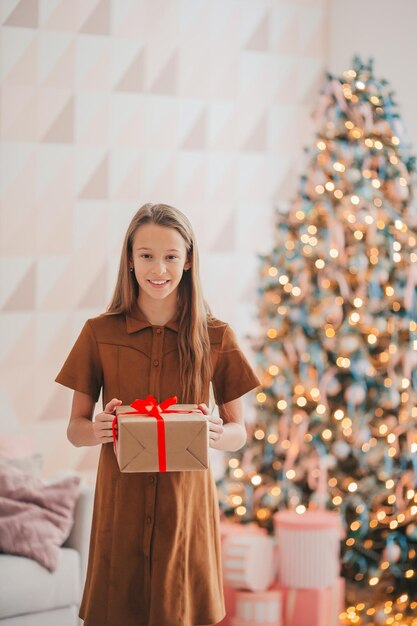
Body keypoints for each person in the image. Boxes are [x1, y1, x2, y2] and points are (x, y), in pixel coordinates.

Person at [55, 202, 260, 626]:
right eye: (146, 255)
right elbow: (75, 430)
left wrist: (217, 433)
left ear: (188, 261)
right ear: (130, 260)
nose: (158, 268)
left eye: (171, 256)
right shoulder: (99, 332)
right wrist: (99, 429)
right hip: (120, 508)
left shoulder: (216, 335)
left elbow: (240, 430)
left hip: (186, 507)